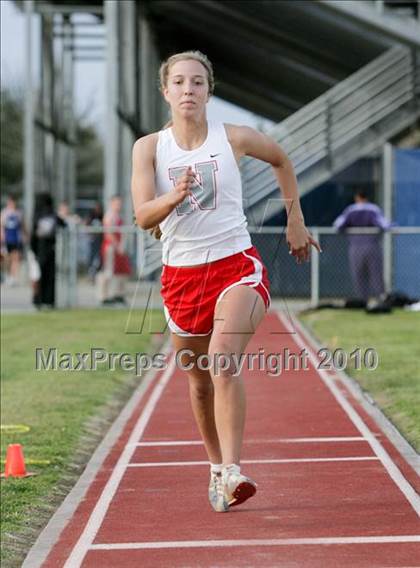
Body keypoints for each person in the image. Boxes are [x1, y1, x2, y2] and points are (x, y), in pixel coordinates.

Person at [131, 51, 320, 513]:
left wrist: (295, 220)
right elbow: (141, 216)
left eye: (197, 82)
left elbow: (281, 159)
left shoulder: (232, 137)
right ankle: (217, 471)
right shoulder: (150, 148)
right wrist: (173, 197)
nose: (188, 90)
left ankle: (234, 469)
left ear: (209, 90)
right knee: (198, 383)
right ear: (166, 92)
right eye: (179, 82)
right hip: (180, 275)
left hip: (236, 265)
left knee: (222, 359)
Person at [333, 189, 392, 303]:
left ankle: (362, 300)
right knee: (376, 273)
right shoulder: (373, 209)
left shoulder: (351, 209)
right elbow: (383, 224)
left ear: (357, 198)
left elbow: (339, 225)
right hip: (372, 246)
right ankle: (381, 298)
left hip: (355, 247)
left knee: (358, 274)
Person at [30, 193, 66, 308]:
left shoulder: (37, 215)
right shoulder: (52, 214)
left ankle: (38, 300)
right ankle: (49, 300)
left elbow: (33, 235)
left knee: (39, 276)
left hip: (40, 250)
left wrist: (33, 250)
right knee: (50, 276)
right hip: (51, 249)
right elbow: (63, 224)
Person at [98, 196, 131, 305]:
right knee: (109, 271)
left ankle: (118, 294)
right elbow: (109, 234)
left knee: (121, 271)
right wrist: (118, 246)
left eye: (119, 203)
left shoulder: (118, 216)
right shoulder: (109, 216)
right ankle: (104, 297)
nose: (118, 206)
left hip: (118, 247)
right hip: (111, 247)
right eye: (116, 203)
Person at [0, 196, 25, 286]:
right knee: (6, 258)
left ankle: (13, 277)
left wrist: (25, 236)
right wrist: (2, 236)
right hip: (7, 239)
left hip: (16, 239)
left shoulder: (18, 213)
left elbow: (22, 226)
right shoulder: (4, 213)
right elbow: (1, 226)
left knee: (16, 258)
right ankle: (7, 275)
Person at [86, 202, 104, 282]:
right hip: (93, 242)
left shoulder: (102, 217)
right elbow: (87, 225)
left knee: (99, 258)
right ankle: (91, 275)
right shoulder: (91, 217)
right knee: (92, 258)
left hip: (100, 241)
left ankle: (97, 274)